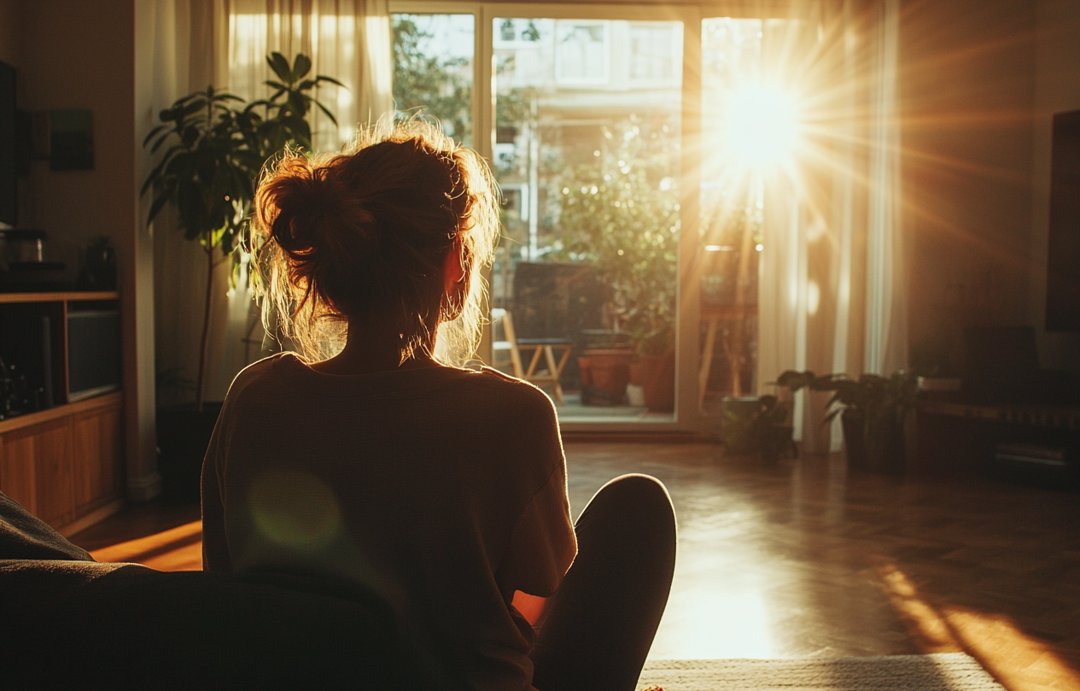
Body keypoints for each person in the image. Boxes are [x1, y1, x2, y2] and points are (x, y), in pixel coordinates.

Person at [200, 118, 676, 690]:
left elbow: (224, 581)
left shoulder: (255, 399)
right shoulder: (514, 417)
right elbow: (537, 594)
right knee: (637, 509)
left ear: (332, 267)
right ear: (457, 259)